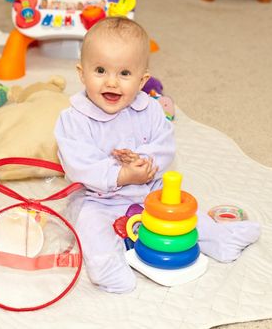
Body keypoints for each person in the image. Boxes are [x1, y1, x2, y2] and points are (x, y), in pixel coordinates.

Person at [55, 17, 260, 293]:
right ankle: (107, 267)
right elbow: (78, 162)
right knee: (90, 230)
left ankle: (220, 239)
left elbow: (165, 146)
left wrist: (146, 162)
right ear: (81, 74)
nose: (112, 82)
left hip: (151, 193)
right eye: (100, 70)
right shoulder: (74, 118)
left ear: (143, 80)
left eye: (125, 73)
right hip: (99, 200)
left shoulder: (150, 110)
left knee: (188, 218)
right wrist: (121, 174)